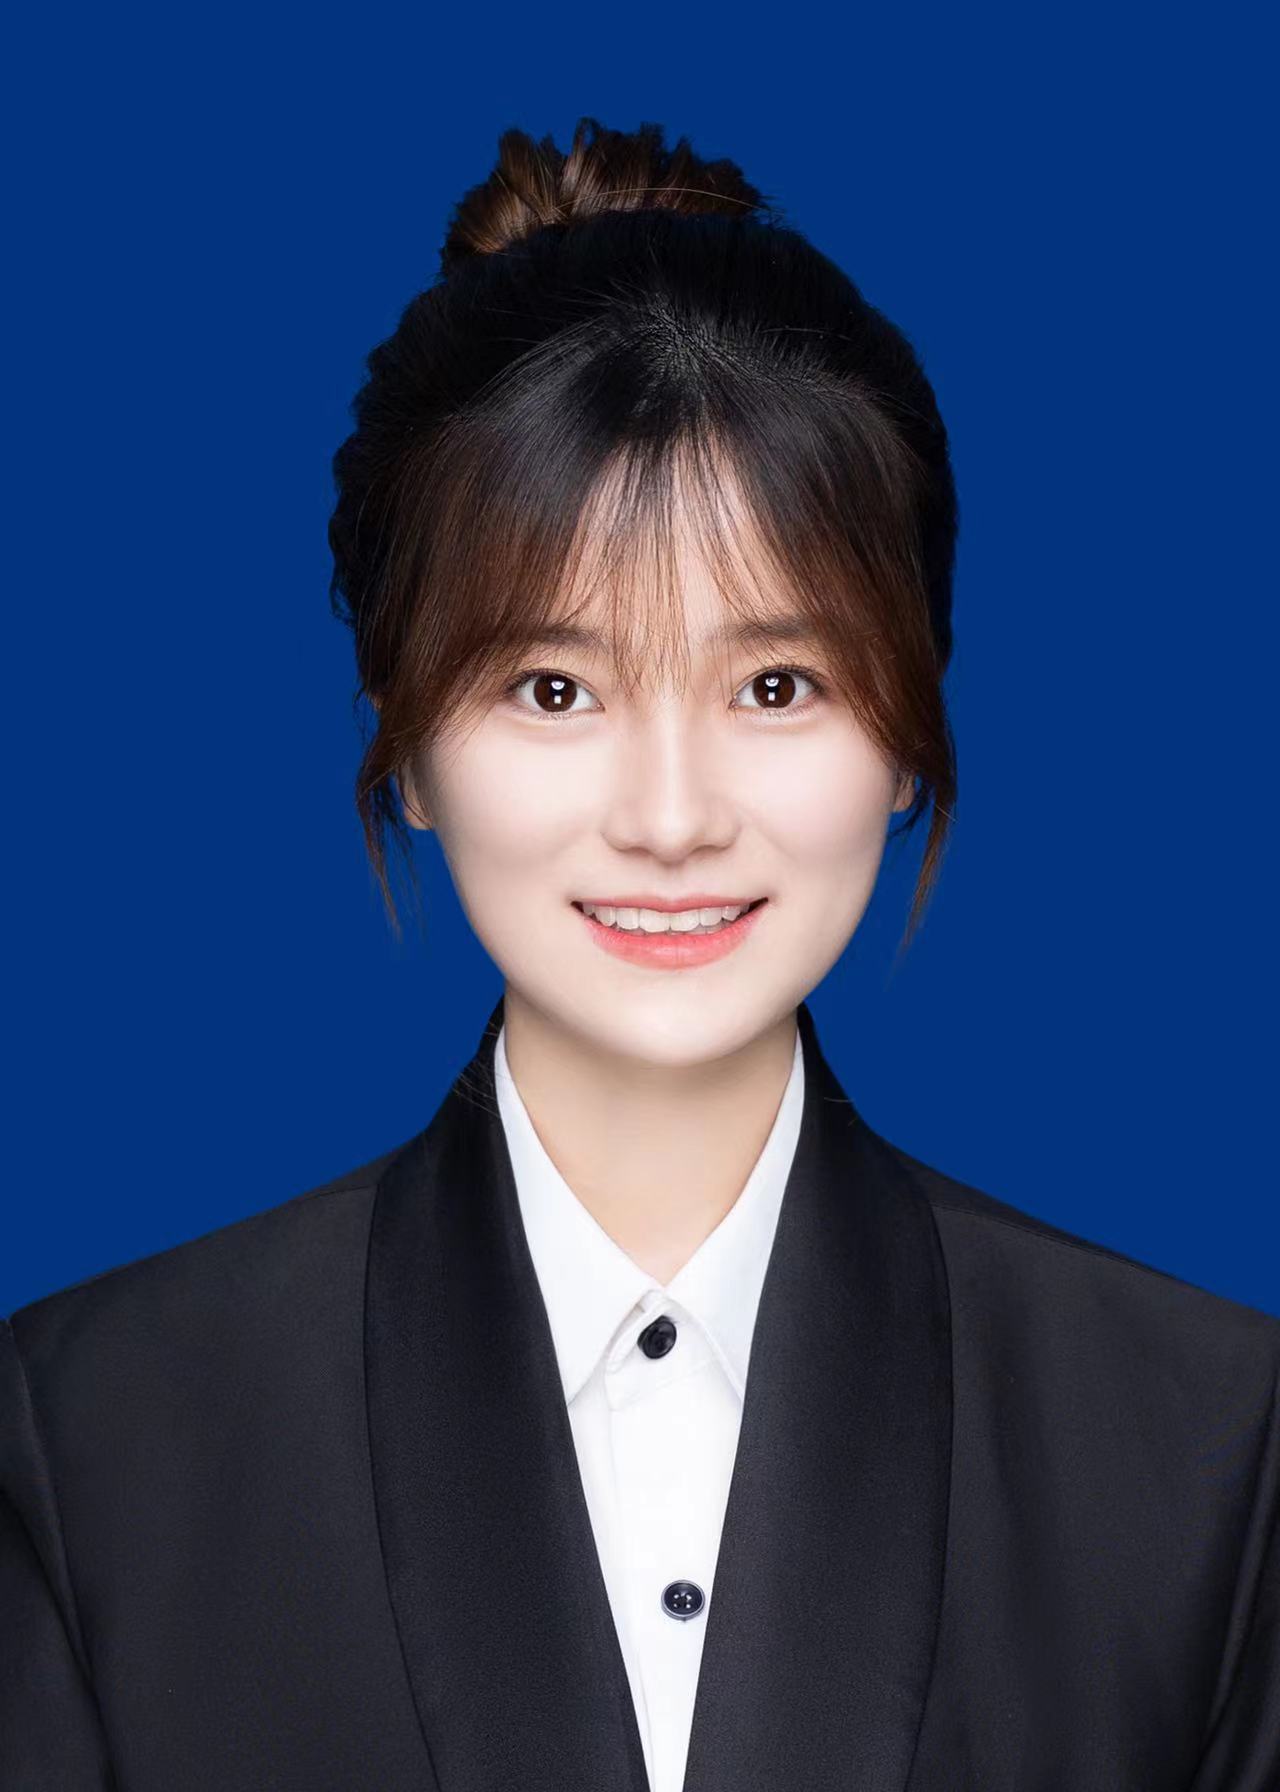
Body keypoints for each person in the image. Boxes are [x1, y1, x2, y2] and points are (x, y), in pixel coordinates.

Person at [2, 115, 1277, 1792]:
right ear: (405, 745)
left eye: (775, 687)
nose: (672, 819)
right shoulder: (95, 1435)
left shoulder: (1203, 1441)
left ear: (908, 734)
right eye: (556, 690)